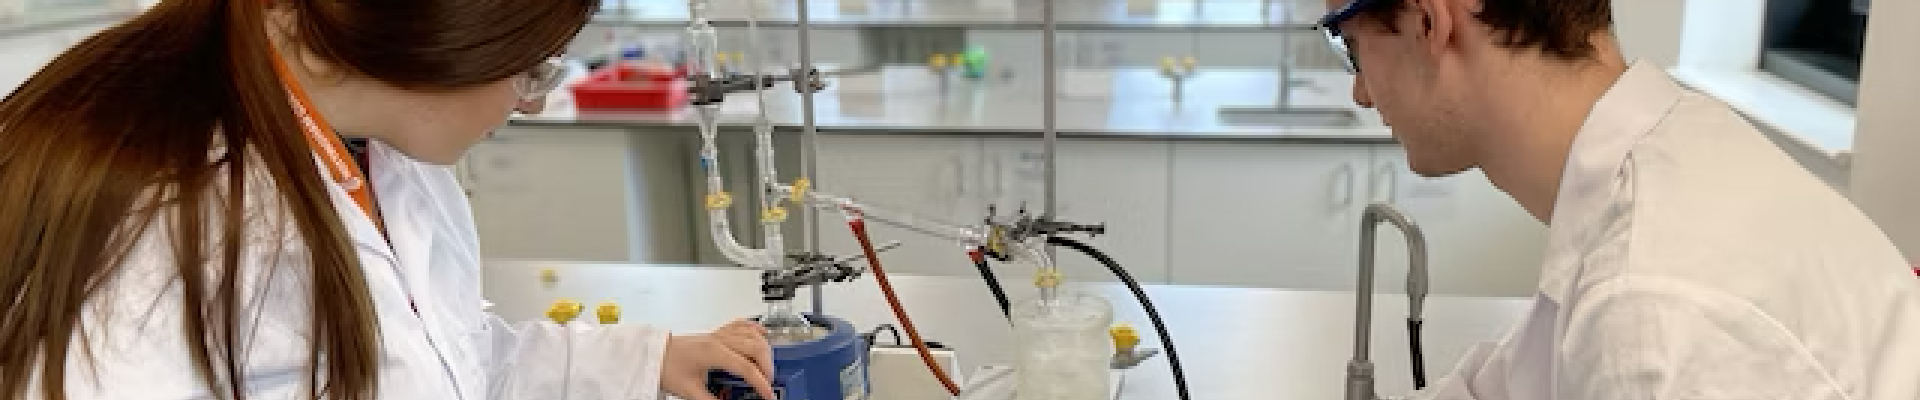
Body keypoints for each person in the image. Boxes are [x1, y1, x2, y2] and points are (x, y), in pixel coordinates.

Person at [0, 1, 777, 400]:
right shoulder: (163, 232)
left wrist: (642, 360)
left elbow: (443, 363)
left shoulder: (379, 153)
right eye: (529, 66)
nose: (535, 100)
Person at [1317, 0, 1920, 399]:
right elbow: (1510, 387)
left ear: (1428, 21)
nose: (1361, 92)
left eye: (1352, 45)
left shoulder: (1651, 304)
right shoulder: (1666, 152)